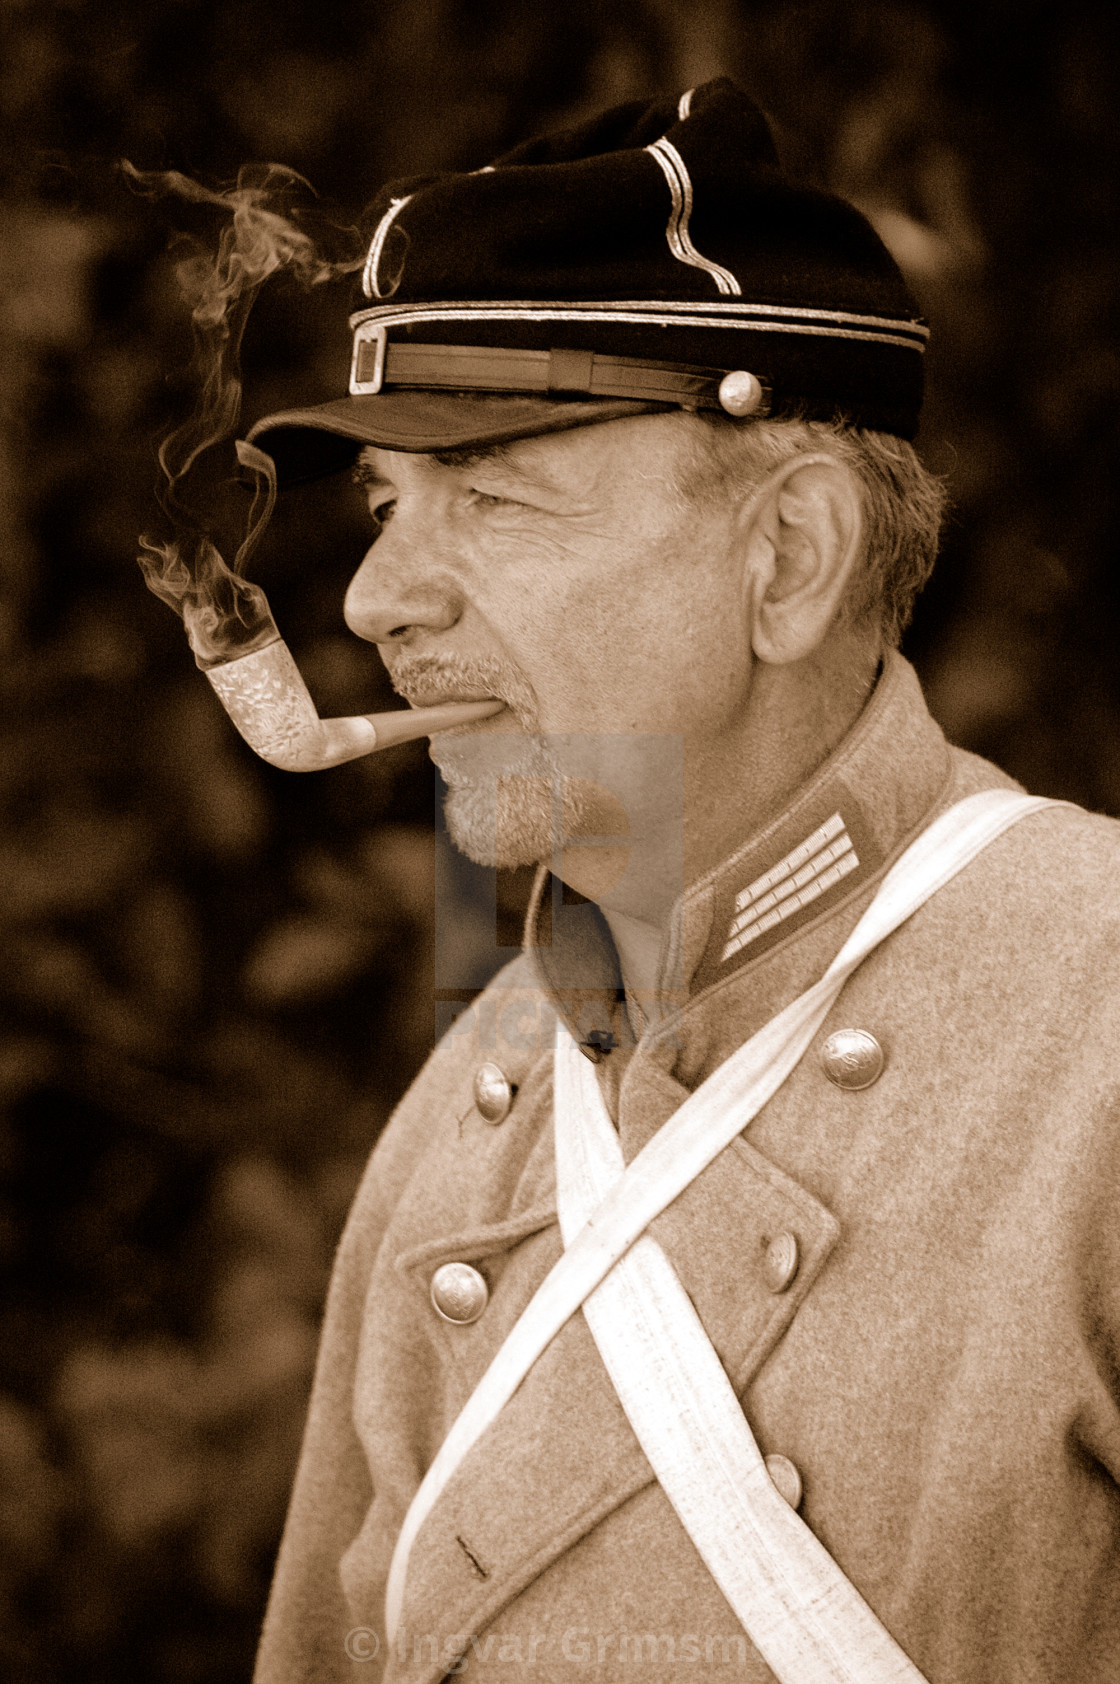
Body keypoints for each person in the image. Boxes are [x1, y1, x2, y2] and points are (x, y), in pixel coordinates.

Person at [245, 79, 1120, 1683]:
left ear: (788, 556)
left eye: (493, 498)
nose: (372, 599)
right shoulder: (466, 1103)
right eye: (386, 508)